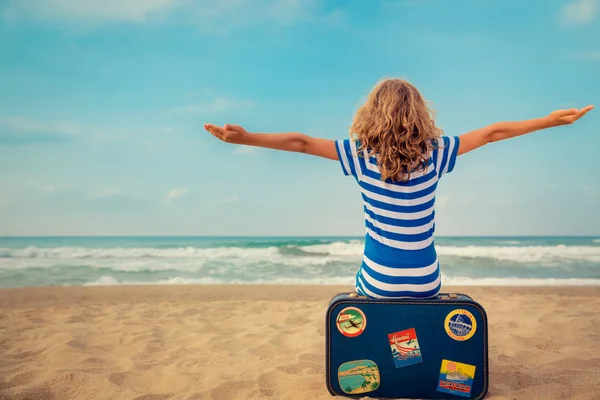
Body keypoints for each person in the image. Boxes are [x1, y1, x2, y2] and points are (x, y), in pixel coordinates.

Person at [204, 78, 594, 299]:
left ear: (371, 113)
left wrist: (247, 138)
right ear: (421, 114)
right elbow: (493, 133)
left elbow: (302, 143)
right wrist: (549, 121)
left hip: (378, 280)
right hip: (427, 280)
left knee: (364, 294)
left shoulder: (358, 154)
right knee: (412, 310)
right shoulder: (437, 153)